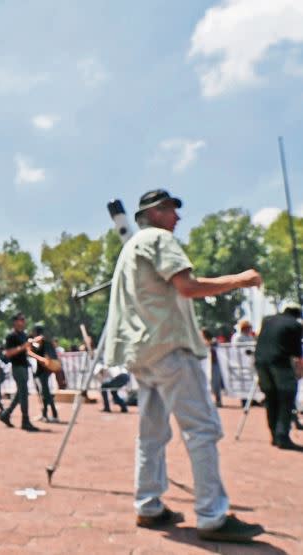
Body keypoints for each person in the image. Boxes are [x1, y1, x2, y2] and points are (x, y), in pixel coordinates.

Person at [104, 189, 264, 542]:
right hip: (170, 347)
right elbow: (188, 287)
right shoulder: (159, 239)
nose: (177, 218)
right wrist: (242, 279)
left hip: (142, 353)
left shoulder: (129, 249)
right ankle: (212, 515)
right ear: (157, 212)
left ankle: (148, 505)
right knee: (202, 429)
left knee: (151, 434)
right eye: (172, 210)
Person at [254, 302, 303, 451]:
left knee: (271, 398)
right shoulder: (295, 325)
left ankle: (274, 435)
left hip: (261, 363)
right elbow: (296, 352)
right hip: (279, 364)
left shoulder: (268, 320)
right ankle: (282, 437)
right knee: (286, 398)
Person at [0, 313, 40, 431]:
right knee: (23, 394)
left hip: (24, 366)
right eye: (21, 319)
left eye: (24, 319)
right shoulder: (11, 336)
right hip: (17, 367)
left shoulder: (23, 335)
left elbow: (27, 350)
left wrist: (31, 345)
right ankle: (25, 421)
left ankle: (6, 414)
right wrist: (23, 347)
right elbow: (8, 353)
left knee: (20, 393)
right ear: (15, 321)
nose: (23, 321)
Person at [30, 323, 60, 423]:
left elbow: (42, 356)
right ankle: (46, 414)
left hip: (43, 371)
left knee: (45, 394)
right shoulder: (47, 341)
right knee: (45, 394)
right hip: (43, 371)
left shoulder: (41, 340)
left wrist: (30, 351)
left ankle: (52, 414)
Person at [201, 328, 225, 408]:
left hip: (215, 364)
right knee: (208, 383)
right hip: (206, 365)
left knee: (216, 384)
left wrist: (207, 343)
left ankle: (218, 401)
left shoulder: (214, 341)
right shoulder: (203, 342)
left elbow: (213, 344)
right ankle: (209, 401)